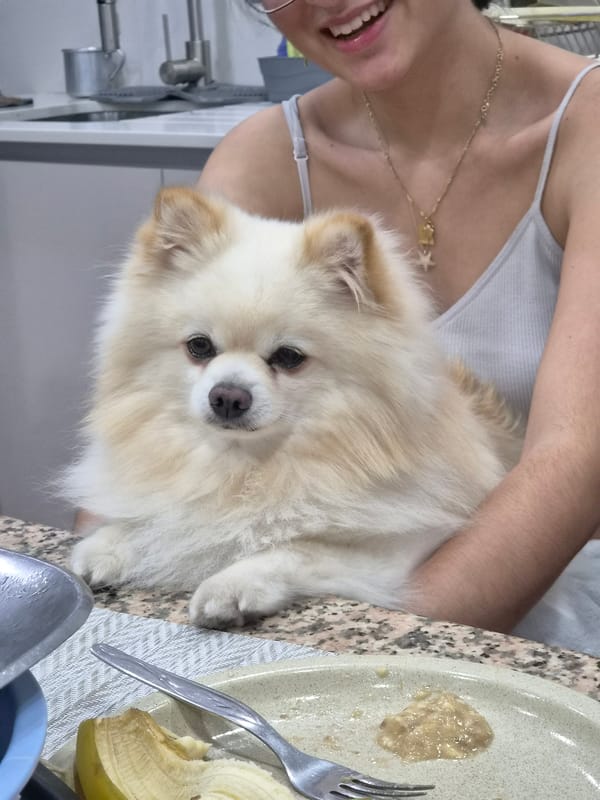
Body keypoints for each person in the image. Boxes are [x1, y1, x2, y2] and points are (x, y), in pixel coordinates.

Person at [197, 0, 600, 655]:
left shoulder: (586, 127)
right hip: (305, 595)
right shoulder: (262, 159)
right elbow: (150, 409)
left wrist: (375, 660)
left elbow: (576, 459)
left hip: (554, 605)